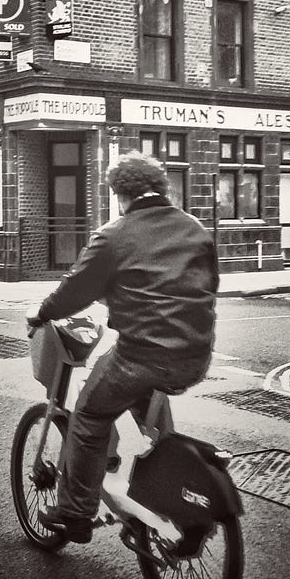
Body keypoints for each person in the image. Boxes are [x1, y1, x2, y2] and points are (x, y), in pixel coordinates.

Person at [27, 150, 218, 543]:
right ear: (161, 188)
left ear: (119, 193)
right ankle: (182, 498)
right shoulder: (196, 228)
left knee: (89, 416)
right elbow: (204, 284)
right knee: (151, 416)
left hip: (141, 356)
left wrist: (40, 313)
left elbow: (74, 291)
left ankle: (75, 512)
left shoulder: (114, 235)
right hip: (195, 356)